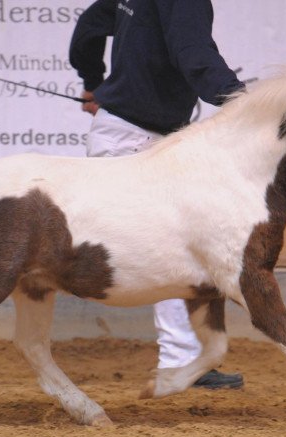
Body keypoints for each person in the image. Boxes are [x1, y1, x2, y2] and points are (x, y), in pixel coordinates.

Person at [69, 0, 244, 389]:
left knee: (177, 251)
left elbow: (88, 27)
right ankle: (181, 361)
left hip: (137, 135)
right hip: (135, 139)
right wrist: (243, 100)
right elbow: (194, 54)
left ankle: (182, 360)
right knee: (172, 253)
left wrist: (92, 81)